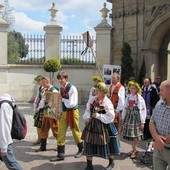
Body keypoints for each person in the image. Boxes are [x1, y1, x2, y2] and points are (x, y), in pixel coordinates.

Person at [82, 82, 120, 170]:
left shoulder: (107, 102)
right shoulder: (92, 100)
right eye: (96, 90)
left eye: (98, 90)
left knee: (109, 144)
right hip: (92, 125)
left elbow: (111, 116)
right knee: (89, 143)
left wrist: (99, 116)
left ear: (103, 92)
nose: (96, 92)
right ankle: (89, 165)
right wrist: (87, 117)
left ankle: (111, 162)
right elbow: (87, 110)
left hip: (105, 126)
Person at [50, 70, 84, 161]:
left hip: (72, 112)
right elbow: (61, 103)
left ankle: (82, 149)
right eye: (59, 79)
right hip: (64, 113)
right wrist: (59, 112)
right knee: (61, 132)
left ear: (66, 78)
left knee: (75, 131)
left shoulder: (72, 88)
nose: (60, 81)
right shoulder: (61, 88)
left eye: (62, 79)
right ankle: (60, 154)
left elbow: (71, 104)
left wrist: (63, 99)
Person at [121, 81, 147, 159]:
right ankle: (133, 149)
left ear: (136, 89)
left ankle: (134, 150)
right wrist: (123, 116)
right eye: (130, 88)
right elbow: (125, 107)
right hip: (129, 117)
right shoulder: (128, 97)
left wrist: (142, 122)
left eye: (133, 88)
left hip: (136, 118)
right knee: (131, 135)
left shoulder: (139, 98)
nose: (131, 89)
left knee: (134, 135)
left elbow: (142, 110)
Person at [149, 80, 170, 170]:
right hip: (159, 149)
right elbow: (152, 122)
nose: (159, 93)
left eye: (162, 90)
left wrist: (162, 141)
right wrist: (156, 137)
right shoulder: (159, 104)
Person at [35, 77, 59, 152]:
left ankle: (60, 146)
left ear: (47, 82)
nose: (42, 85)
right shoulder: (46, 90)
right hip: (46, 112)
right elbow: (43, 101)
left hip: (52, 113)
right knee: (43, 129)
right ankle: (43, 147)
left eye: (43, 83)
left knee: (55, 130)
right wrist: (39, 107)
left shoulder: (54, 90)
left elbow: (55, 103)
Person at [0, 94, 23, 170]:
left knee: (12, 164)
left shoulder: (4, 106)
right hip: (3, 141)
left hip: (4, 142)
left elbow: (4, 127)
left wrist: (3, 148)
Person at [33, 75, 45, 145]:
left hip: (42, 108)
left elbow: (43, 100)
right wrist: (35, 106)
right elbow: (37, 97)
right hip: (38, 108)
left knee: (43, 125)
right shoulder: (39, 87)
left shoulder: (44, 88)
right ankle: (39, 139)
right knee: (37, 124)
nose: (37, 82)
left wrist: (38, 108)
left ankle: (43, 139)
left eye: (38, 81)